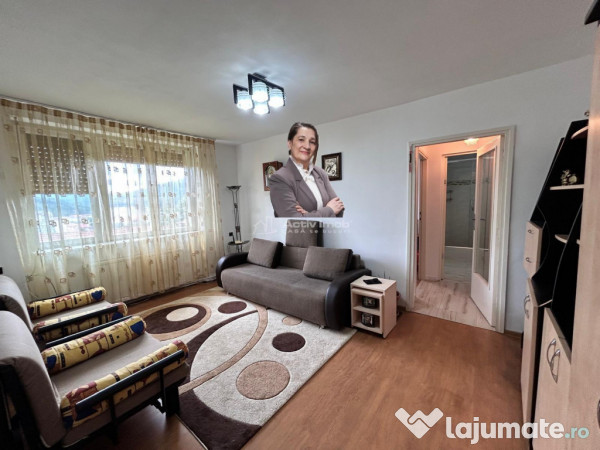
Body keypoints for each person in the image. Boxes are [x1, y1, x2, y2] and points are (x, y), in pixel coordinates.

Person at [269, 122, 344, 217]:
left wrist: (308, 215)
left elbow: (339, 209)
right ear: (290, 143)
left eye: (312, 142)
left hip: (328, 228)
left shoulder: (320, 173)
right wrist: (329, 210)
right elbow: (294, 221)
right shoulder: (280, 178)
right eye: (301, 140)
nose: (307, 146)